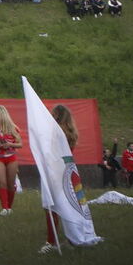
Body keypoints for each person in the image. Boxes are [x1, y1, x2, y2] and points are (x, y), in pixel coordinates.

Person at [40, 104, 78, 254]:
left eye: (52, 114)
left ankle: (52, 241)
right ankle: (71, 238)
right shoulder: (70, 133)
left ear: (57, 116)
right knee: (66, 205)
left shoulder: (57, 133)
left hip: (56, 171)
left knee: (51, 207)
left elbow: (52, 152)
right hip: (67, 171)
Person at [0, 105, 23, 215]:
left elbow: (20, 144)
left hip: (11, 157)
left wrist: (10, 144)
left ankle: (9, 208)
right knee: (2, 182)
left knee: (11, 184)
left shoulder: (12, 127)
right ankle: (4, 208)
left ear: (0, 114)